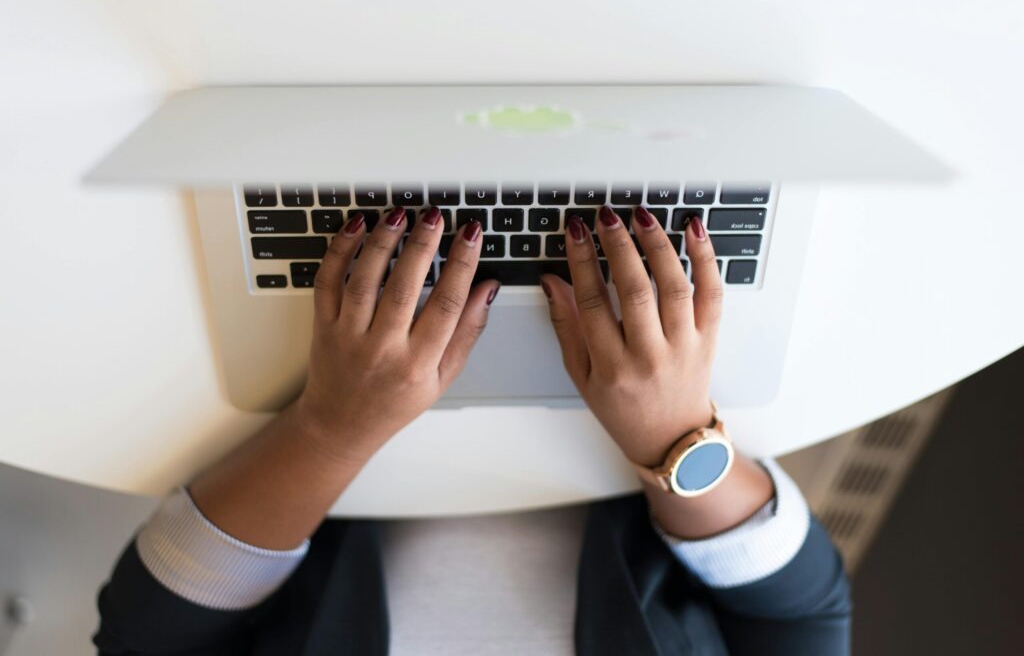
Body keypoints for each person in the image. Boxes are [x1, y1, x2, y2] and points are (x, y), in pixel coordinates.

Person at [93, 206, 851, 655]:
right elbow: (802, 611)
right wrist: (679, 440)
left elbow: (145, 638)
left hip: (333, 395)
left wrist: (329, 431)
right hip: (620, 414)